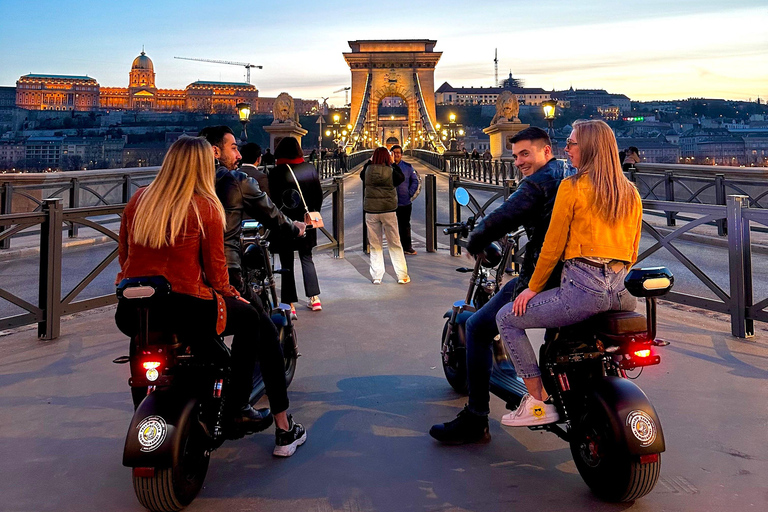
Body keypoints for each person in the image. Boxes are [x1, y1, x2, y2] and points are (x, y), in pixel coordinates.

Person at [115, 136, 307, 457]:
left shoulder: (139, 200)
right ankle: (237, 407)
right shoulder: (204, 205)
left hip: (133, 309)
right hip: (186, 309)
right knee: (250, 320)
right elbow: (218, 274)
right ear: (204, 165)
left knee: (146, 344)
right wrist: (234, 297)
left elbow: (125, 257)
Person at [496, 120, 643, 427]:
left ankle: (537, 402)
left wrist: (532, 288)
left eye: (572, 143)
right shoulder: (630, 191)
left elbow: (553, 245)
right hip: (623, 295)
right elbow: (632, 251)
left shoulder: (573, 187)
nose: (567, 148)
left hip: (582, 293)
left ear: (588, 148)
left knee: (507, 318)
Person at [429, 127, 569, 445]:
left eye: (526, 154)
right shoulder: (569, 172)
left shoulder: (539, 181)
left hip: (541, 275)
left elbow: (507, 214)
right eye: (516, 155)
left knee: (478, 327)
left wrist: (477, 238)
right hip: (578, 274)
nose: (519, 161)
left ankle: (477, 419)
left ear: (547, 152)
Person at [198, 126, 304, 303]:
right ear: (215, 152)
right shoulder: (238, 181)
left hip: (191, 271)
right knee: (259, 322)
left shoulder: (184, 183)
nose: (239, 155)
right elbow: (271, 214)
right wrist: (295, 228)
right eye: (233, 148)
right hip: (226, 269)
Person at [269, 136, 324, 315]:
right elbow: (318, 195)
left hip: (285, 223)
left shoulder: (276, 172)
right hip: (306, 221)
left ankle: (289, 304)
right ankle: (315, 299)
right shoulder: (309, 168)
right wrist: (312, 213)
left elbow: (272, 201)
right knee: (307, 257)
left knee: (286, 261)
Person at [361, 147, 409, 284]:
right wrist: (393, 163)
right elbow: (401, 178)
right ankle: (402, 275)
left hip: (371, 211)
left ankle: (377, 276)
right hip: (388, 210)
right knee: (394, 243)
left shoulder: (368, 171)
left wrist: (369, 163)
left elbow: (361, 176)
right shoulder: (391, 170)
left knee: (375, 244)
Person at [391, 144, 419, 255]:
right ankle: (395, 248)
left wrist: (409, 193)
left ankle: (407, 247)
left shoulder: (408, 167)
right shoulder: (386, 166)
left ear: (402, 155)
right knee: (392, 227)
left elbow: (415, 181)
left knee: (405, 225)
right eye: (394, 153)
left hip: (404, 201)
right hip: (390, 202)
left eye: (398, 153)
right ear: (391, 154)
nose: (396, 155)